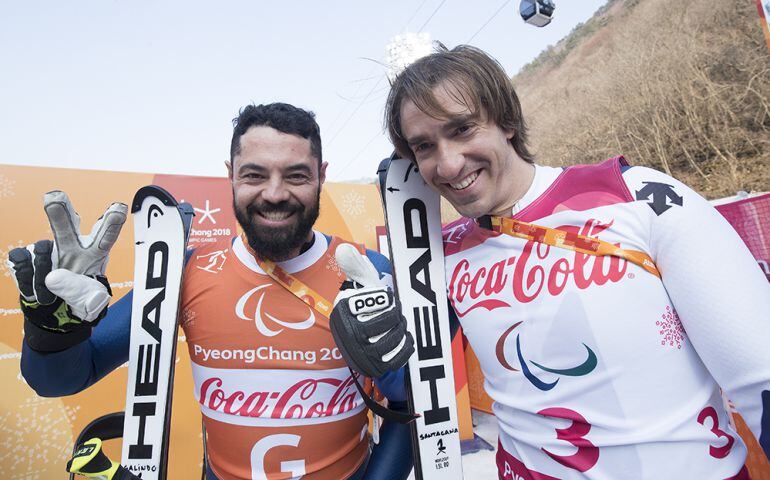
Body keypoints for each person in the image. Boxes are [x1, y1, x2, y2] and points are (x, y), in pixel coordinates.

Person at [331, 45, 770, 479]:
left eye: (463, 129)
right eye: (424, 147)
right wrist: (371, 341)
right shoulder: (438, 255)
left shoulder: (635, 197)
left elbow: (760, 377)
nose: (447, 163)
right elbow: (408, 387)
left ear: (505, 120)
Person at [11, 103, 414, 480]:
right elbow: (60, 381)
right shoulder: (185, 271)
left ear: (321, 176)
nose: (274, 194)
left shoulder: (367, 271)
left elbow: (411, 402)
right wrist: (54, 332)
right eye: (255, 175)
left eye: (296, 175)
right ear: (231, 174)